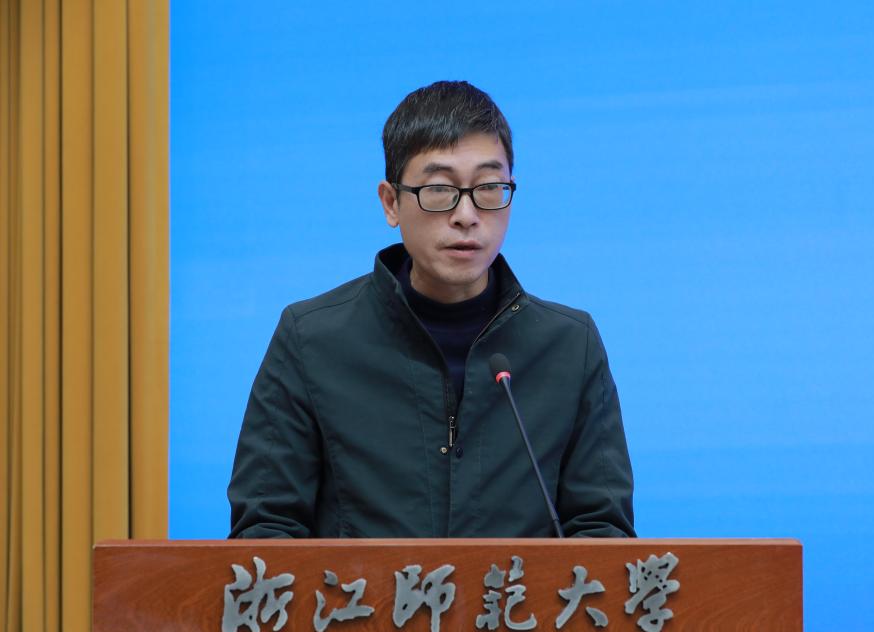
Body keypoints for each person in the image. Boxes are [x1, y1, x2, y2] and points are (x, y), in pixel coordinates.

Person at [227, 81, 635, 539]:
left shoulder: (569, 346)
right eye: (440, 189)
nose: (467, 215)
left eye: (489, 187)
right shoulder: (312, 340)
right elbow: (266, 530)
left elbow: (602, 533)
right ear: (391, 203)